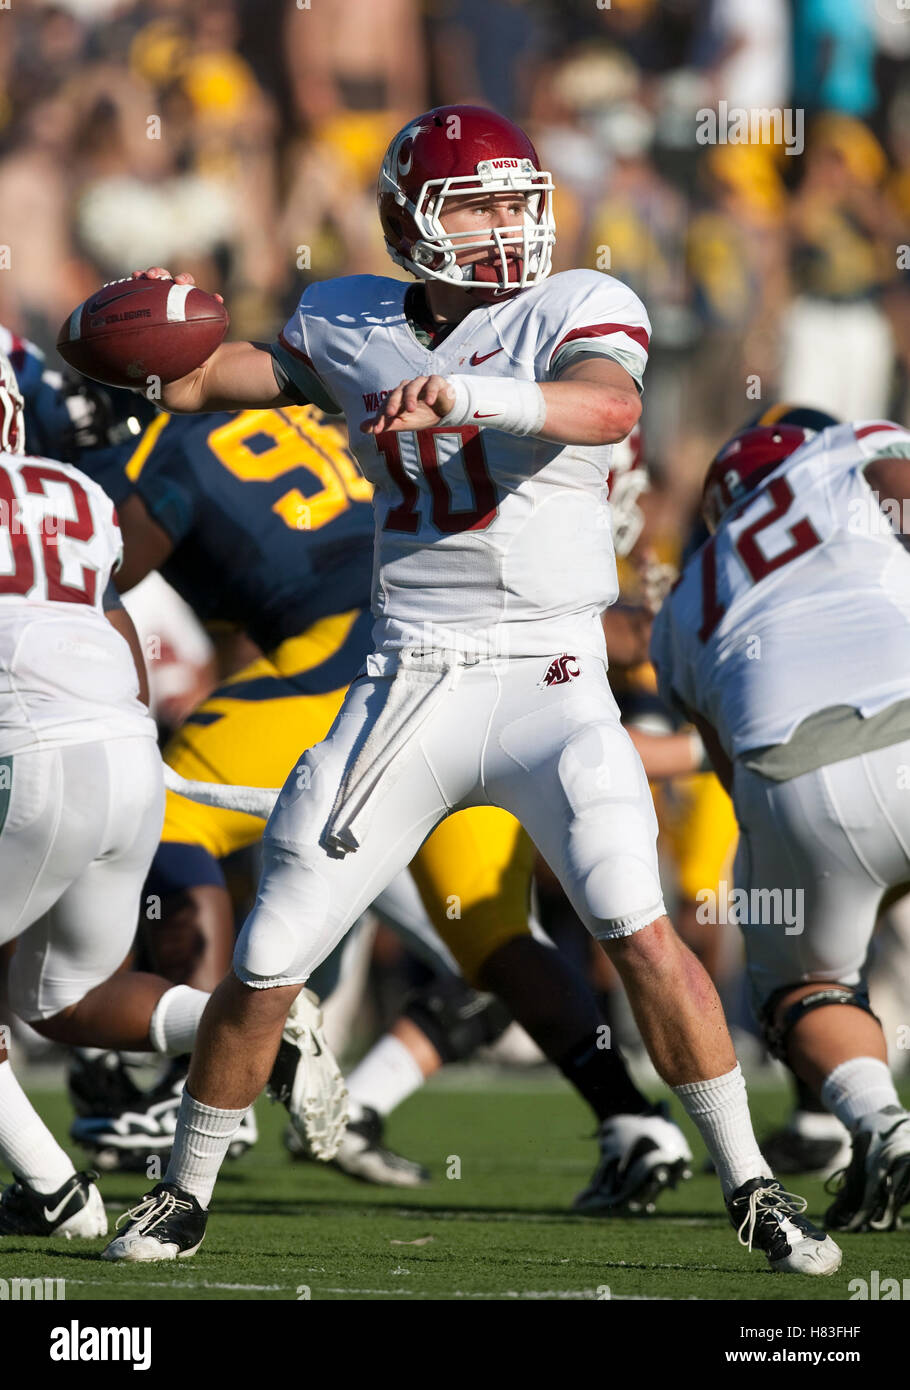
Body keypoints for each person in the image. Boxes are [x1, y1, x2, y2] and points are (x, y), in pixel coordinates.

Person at [104, 105, 839, 1275]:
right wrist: (148, 354)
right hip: (409, 675)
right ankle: (185, 1189)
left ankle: (750, 1185)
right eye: (478, 206)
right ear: (407, 222)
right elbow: (251, 376)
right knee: (272, 947)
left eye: (518, 202)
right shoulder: (346, 315)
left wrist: (471, 398)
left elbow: (607, 405)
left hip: (555, 679)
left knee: (637, 930)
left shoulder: (579, 306)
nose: (508, 230)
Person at [0, 350, 343, 1238]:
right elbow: (111, 623)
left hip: (31, 756)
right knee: (64, 1003)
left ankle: (54, 1192)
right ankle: (257, 1029)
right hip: (123, 753)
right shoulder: (69, 493)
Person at [651, 413, 910, 1231]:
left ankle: (884, 1124)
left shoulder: (681, 608)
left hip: (794, 779)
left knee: (801, 986)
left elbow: (731, 776)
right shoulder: (839, 456)